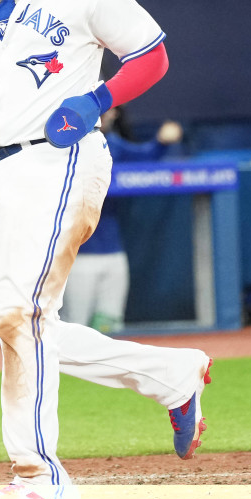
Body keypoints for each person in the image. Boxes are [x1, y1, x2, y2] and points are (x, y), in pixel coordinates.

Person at [0, 0, 213, 499]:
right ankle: (172, 378)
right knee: (25, 319)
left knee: (22, 316)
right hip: (0, 165)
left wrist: (98, 99)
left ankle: (39, 476)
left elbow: (151, 54)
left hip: (61, 157)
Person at [60, 109, 182, 334]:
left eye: (109, 111)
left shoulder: (111, 144)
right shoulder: (62, 147)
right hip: (78, 256)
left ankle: (104, 369)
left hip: (114, 254)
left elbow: (147, 155)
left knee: (110, 323)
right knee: (74, 326)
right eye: (103, 110)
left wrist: (161, 142)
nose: (110, 115)